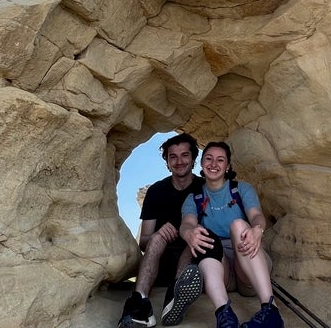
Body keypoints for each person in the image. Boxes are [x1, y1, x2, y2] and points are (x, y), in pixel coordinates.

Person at [180, 141, 284, 328]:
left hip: (249, 267)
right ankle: (225, 316)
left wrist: (257, 229)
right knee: (203, 236)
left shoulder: (241, 189)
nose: (214, 164)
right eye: (209, 159)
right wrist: (189, 233)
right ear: (202, 163)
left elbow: (257, 216)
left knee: (237, 225)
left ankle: (271, 311)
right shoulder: (194, 198)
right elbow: (187, 223)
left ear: (227, 166)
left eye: (220, 160)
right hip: (221, 273)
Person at [118, 133, 204, 328]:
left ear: (193, 159)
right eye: (173, 156)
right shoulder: (156, 191)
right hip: (160, 264)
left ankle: (175, 295)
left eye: (184, 155)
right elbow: (144, 242)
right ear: (167, 162)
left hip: (192, 266)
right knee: (156, 238)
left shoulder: (204, 188)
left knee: (196, 236)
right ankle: (139, 303)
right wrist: (158, 235)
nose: (179, 161)